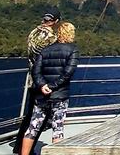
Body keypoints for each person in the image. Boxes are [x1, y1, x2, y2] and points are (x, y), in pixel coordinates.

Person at [21, 22, 79, 155]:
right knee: (57, 128)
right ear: (71, 34)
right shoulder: (72, 50)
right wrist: (53, 86)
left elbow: (36, 70)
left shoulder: (45, 49)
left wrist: (43, 85)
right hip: (59, 95)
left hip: (42, 95)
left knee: (33, 127)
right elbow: (68, 72)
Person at [13, 6, 60, 154]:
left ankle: (19, 146)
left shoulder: (32, 33)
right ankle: (28, 149)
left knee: (29, 114)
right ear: (56, 21)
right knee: (42, 117)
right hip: (44, 81)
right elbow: (52, 60)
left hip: (31, 79)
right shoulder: (52, 38)